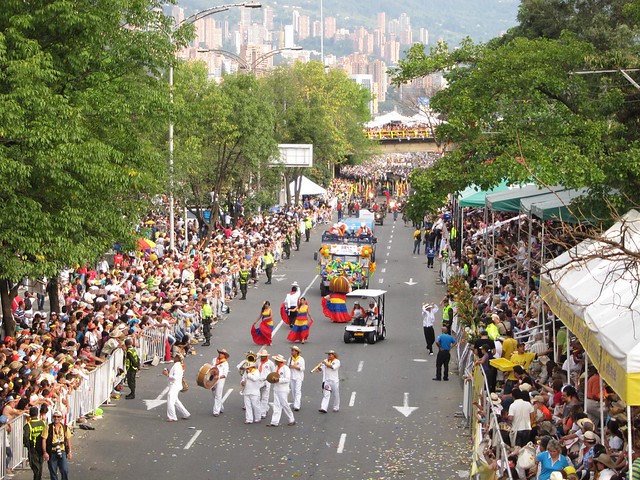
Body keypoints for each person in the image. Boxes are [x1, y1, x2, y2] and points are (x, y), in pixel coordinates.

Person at [41, 411, 72, 480]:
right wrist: (45, 452)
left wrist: (69, 451)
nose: (56, 418)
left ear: (61, 418)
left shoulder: (65, 427)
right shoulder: (48, 427)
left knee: (64, 470)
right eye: (54, 416)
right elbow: (44, 440)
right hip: (52, 452)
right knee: (53, 472)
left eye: (58, 417)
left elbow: (68, 439)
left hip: (62, 451)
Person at [268, 354, 296, 427]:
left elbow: (287, 379)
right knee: (276, 405)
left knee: (284, 404)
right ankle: (274, 422)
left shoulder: (285, 368)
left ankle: (291, 419)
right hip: (276, 388)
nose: (275, 361)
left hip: (283, 389)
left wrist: (279, 379)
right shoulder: (276, 367)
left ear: (279, 361)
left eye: (276, 360)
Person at [163, 353, 190, 422]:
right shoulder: (177, 365)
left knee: (170, 400)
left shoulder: (177, 366)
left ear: (178, 358)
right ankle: (185, 414)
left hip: (174, 385)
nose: (174, 357)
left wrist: (168, 374)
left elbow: (175, 377)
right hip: (175, 385)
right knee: (175, 401)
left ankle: (172, 416)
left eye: (176, 356)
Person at [24, 406, 47, 480]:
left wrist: (27, 446)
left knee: (35, 468)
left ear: (30, 414)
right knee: (40, 465)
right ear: (37, 414)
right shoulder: (43, 423)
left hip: (33, 449)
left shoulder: (28, 425)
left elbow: (25, 437)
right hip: (42, 447)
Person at [256, 349, 275, 419]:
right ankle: (266, 408)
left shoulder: (270, 363)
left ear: (266, 356)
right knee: (259, 396)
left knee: (265, 397)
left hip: (267, 381)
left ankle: (262, 413)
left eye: (263, 356)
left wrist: (271, 379)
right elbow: (254, 368)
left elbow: (274, 372)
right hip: (258, 381)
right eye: (261, 356)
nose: (262, 357)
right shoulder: (258, 362)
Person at [212, 348, 230, 417]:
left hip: (220, 380)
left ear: (225, 355)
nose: (220, 354)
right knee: (214, 394)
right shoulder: (214, 360)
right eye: (220, 353)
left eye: (222, 353)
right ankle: (221, 407)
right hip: (213, 379)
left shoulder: (225, 363)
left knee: (218, 395)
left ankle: (216, 411)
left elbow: (225, 375)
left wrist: (218, 377)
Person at [288, 346, 305, 411]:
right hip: (292, 376)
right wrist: (290, 366)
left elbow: (302, 368)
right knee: (293, 391)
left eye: (293, 351)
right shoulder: (290, 359)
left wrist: (295, 367)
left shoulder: (301, 359)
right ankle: (295, 402)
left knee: (297, 390)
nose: (292, 352)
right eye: (292, 350)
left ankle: (297, 405)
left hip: (299, 377)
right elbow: (288, 366)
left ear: (296, 352)